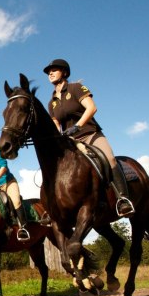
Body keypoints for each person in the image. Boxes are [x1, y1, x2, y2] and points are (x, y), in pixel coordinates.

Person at [42, 58, 135, 217]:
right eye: (48, 71)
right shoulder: (52, 103)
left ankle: (123, 199)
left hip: (90, 133)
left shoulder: (76, 88)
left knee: (109, 158)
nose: (50, 73)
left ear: (64, 72)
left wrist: (77, 126)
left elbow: (92, 108)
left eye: (54, 70)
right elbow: (56, 124)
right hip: (71, 141)